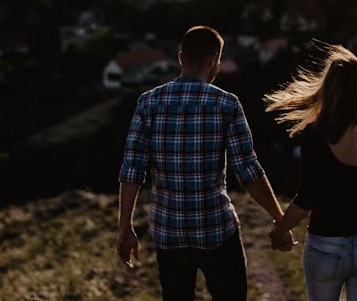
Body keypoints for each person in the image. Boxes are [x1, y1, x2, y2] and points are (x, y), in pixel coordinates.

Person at [116, 25, 293, 301]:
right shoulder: (226, 104)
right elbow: (248, 171)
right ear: (213, 59)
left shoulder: (148, 102)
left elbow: (131, 171)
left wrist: (125, 227)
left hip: (168, 231)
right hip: (217, 230)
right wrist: (279, 219)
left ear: (180, 58)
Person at [265, 43, 357, 301]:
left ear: (329, 90)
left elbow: (306, 198)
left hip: (326, 245)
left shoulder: (316, 133)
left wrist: (279, 230)